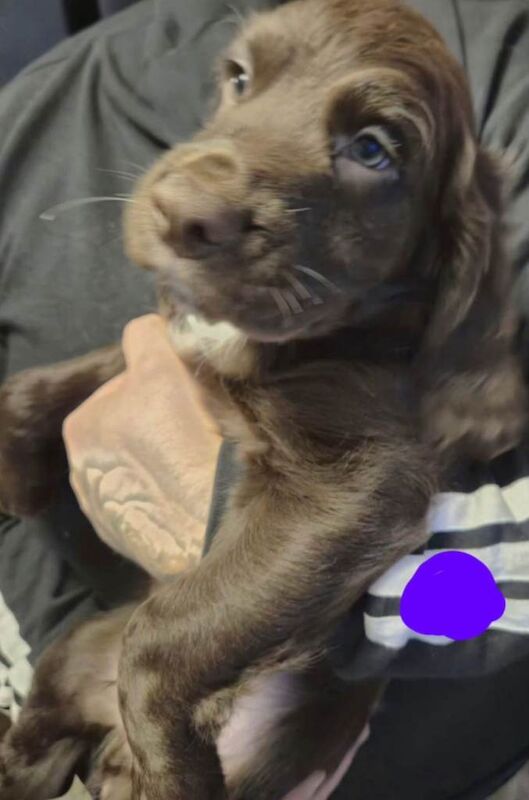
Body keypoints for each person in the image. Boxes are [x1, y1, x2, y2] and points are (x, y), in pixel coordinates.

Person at [1, 0, 529, 797]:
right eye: (241, 80)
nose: (193, 196)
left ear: (448, 249)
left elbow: (456, 574)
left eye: (372, 150)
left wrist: (182, 656)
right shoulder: (59, 91)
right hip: (70, 648)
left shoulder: (503, 84)